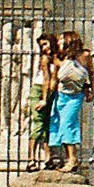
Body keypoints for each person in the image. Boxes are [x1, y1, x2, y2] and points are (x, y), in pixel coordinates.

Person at [49, 30, 94, 173]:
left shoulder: (85, 56)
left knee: (67, 123)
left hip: (76, 96)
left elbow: (92, 74)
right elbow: (54, 79)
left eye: (62, 40)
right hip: (61, 96)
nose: (59, 42)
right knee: (60, 126)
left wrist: (92, 90)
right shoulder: (58, 58)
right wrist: (46, 97)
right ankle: (67, 158)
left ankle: (73, 160)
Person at [27, 33, 58, 170]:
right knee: (38, 123)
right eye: (42, 46)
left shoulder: (56, 58)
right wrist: (44, 99)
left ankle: (47, 157)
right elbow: (47, 79)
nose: (45, 48)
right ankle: (31, 158)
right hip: (40, 90)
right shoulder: (45, 59)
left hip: (50, 92)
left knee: (47, 124)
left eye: (46, 44)